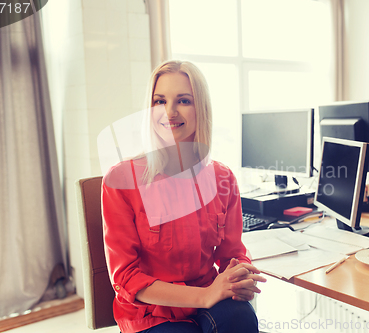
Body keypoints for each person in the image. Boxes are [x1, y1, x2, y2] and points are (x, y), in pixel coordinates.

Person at [102, 60, 266, 333]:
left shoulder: (222, 179)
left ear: (200, 107)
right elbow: (126, 277)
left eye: (184, 100)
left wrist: (240, 275)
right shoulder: (120, 181)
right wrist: (204, 296)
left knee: (242, 318)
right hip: (151, 312)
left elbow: (233, 254)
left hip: (208, 295)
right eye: (159, 101)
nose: (169, 111)